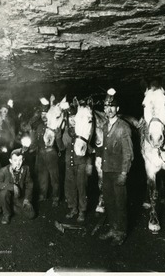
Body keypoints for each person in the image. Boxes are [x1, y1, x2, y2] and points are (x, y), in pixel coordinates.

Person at [99, 88, 134, 246]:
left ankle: (121, 232)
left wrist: (124, 173)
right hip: (107, 171)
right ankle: (113, 228)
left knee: (120, 203)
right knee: (109, 201)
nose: (109, 109)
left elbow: (128, 153)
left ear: (117, 109)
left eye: (112, 106)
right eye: (106, 106)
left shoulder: (123, 127)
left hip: (118, 171)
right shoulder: (105, 125)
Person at [56, 104, 93, 222]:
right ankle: (73, 208)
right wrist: (58, 136)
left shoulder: (83, 129)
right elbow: (61, 147)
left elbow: (91, 149)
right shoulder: (66, 131)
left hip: (81, 163)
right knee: (70, 186)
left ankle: (82, 211)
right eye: (70, 118)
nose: (72, 120)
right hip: (69, 163)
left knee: (81, 187)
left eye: (74, 117)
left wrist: (89, 165)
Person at [0, 148, 35, 225]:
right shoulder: (3, 170)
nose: (18, 163)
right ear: (10, 161)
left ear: (23, 160)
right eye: (15, 160)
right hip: (6, 196)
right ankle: (6, 214)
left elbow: (29, 185)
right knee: (3, 193)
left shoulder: (26, 169)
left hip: (18, 197)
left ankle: (12, 207)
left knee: (31, 215)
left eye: (20, 160)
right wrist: (12, 186)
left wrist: (27, 199)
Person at [32, 97, 61, 207]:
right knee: (42, 176)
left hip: (51, 154)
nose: (44, 116)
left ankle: (56, 197)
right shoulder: (39, 126)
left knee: (54, 177)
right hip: (41, 154)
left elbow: (59, 143)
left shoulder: (54, 125)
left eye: (46, 113)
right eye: (42, 114)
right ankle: (43, 195)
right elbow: (36, 140)